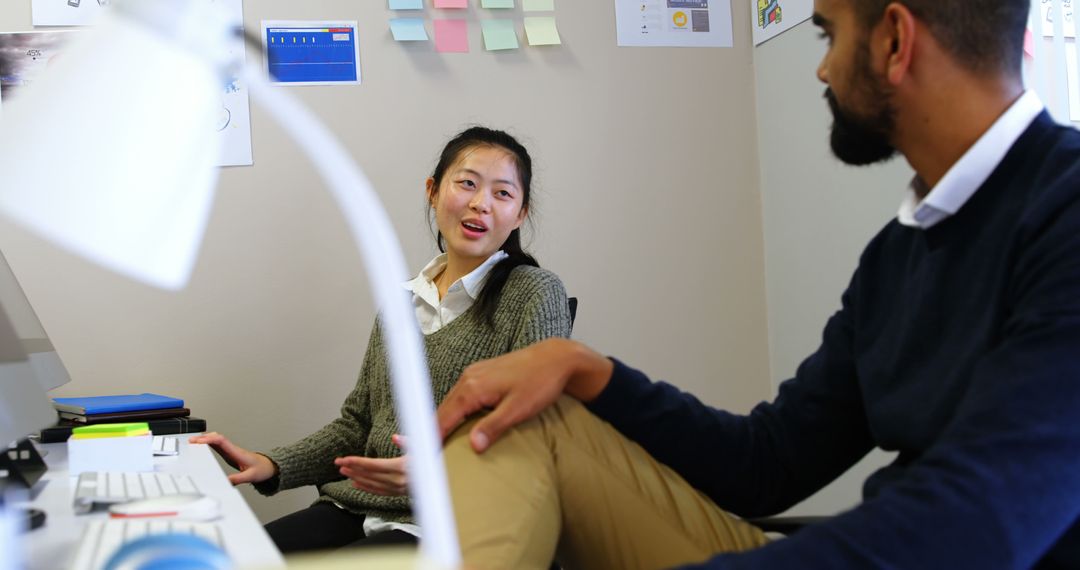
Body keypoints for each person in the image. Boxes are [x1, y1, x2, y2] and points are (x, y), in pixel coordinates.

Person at [435, 1, 1080, 568]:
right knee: (520, 418)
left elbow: (973, 531)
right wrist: (585, 367)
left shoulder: (1064, 212)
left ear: (894, 40)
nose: (822, 70)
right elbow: (768, 463)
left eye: (828, 35)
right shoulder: (899, 254)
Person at [190, 126, 573, 553]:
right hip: (355, 508)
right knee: (229, 557)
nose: (480, 204)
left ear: (521, 213)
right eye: (467, 183)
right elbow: (358, 426)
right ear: (432, 190)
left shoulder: (535, 293)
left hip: (455, 524)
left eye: (503, 194)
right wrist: (273, 464)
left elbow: (535, 436)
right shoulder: (401, 303)